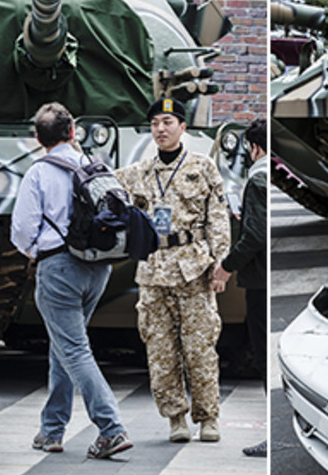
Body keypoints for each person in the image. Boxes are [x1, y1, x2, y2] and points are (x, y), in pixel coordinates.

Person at [10, 102, 133, 459]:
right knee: (62, 345)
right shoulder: (93, 165)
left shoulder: (37, 173)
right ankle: (51, 430)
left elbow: (21, 229)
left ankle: (111, 429)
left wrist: (34, 251)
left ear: (37, 138)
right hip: (98, 268)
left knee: (74, 348)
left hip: (58, 268)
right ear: (72, 130)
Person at [115, 97, 231, 443]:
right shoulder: (140, 171)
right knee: (160, 350)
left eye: (167, 122)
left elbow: (218, 217)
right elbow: (105, 184)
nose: (160, 129)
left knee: (200, 348)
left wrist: (221, 264)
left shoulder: (202, 166)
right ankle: (175, 418)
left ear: (183, 126)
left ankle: (208, 418)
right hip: (153, 270)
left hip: (193, 267)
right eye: (154, 124)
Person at [211, 118, 267, 458]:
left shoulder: (258, 178)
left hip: (259, 281)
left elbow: (255, 236)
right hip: (263, 277)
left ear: (253, 147)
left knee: (263, 358)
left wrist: (226, 266)